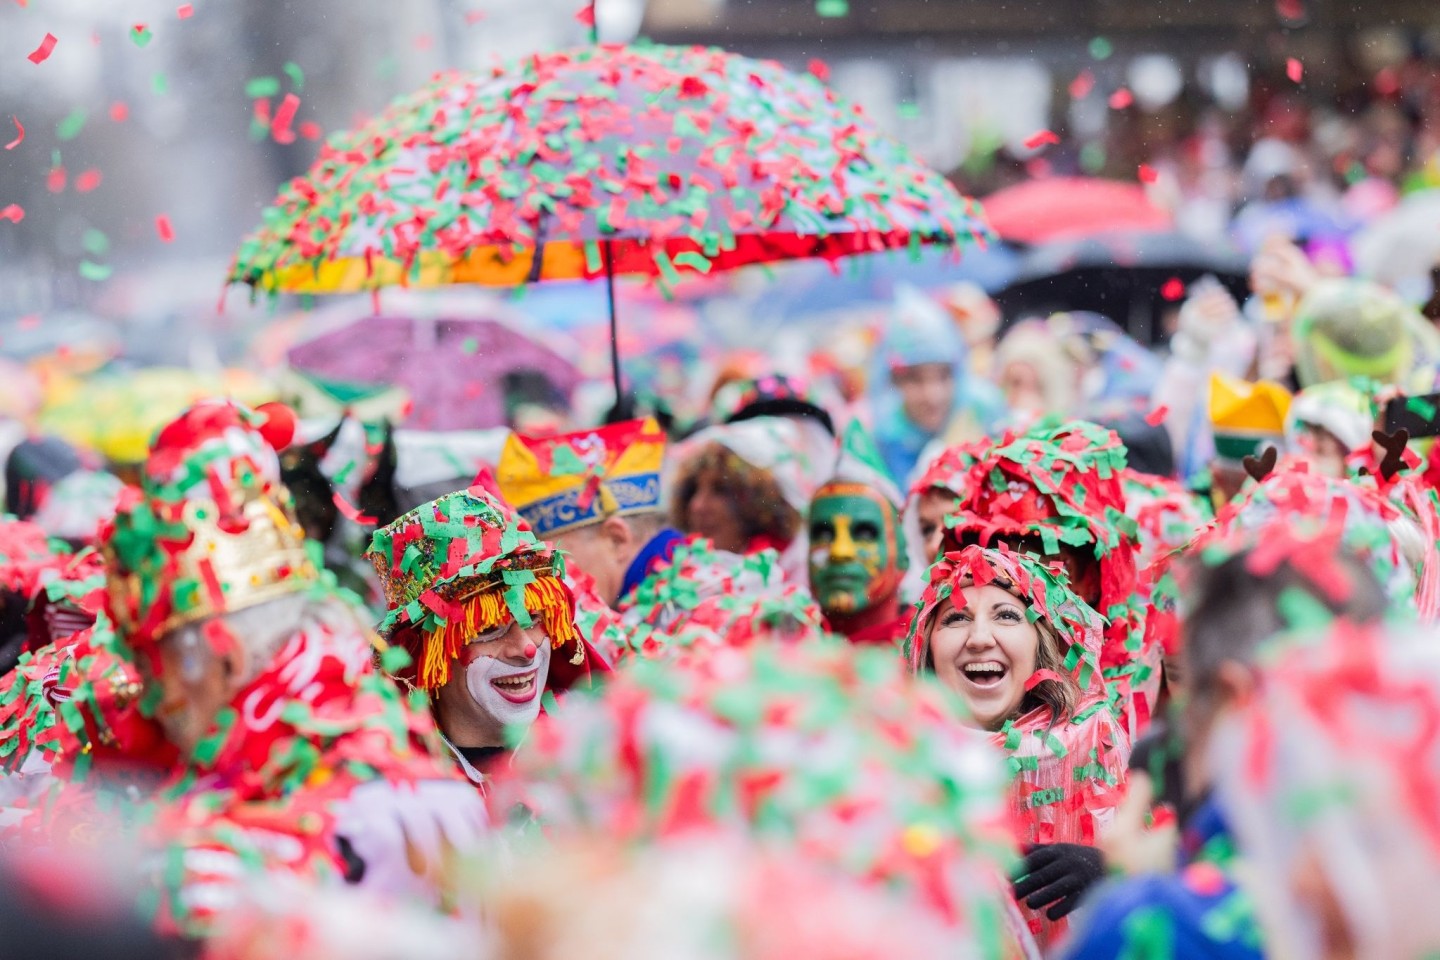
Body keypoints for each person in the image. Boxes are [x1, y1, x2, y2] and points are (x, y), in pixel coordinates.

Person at [98, 400, 485, 938]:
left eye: (156, 666)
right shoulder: (425, 779)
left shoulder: (217, 875)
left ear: (226, 657)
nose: (149, 698)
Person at [1065, 528, 1387, 960]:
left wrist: (1133, 895)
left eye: (1189, 686)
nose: (1179, 725)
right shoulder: (1415, 872)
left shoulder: (1158, 922)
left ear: (1236, 701)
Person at [906, 544, 1129, 947]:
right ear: (927, 649)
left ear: (1040, 645)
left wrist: (1113, 873)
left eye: (1007, 615)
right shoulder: (890, 759)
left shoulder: (1096, 739)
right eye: (956, 618)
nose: (979, 638)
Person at [366, 487, 608, 785]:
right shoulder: (392, 787)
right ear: (425, 655)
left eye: (533, 618)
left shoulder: (597, 753)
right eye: (488, 629)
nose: (526, 648)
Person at [941, 420, 1155, 736]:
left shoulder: (1146, 692)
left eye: (1043, 564)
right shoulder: (941, 681)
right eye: (997, 561)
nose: (1019, 583)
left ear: (1094, 579)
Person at [870, 284, 1005, 486]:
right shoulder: (886, 436)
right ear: (894, 381)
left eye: (943, 376)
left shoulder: (985, 412)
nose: (933, 395)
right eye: (915, 379)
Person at [670, 418, 813, 582]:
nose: (697, 505)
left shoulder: (801, 575)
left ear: (758, 504)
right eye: (694, 489)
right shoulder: (673, 579)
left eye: (720, 490)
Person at [806, 422, 910, 646]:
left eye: (864, 533)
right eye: (823, 534)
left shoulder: (931, 657)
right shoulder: (782, 650)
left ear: (903, 552)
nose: (840, 552)